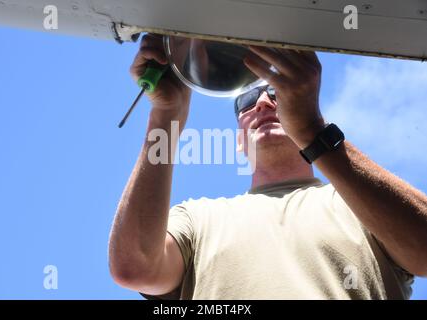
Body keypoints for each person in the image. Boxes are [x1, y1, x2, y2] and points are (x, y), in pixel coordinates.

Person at [108, 33, 427, 299]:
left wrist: (313, 131)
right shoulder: (198, 221)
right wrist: (167, 115)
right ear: (238, 141)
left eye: (277, 93)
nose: (262, 102)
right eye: (246, 102)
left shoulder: (361, 203)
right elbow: (134, 267)